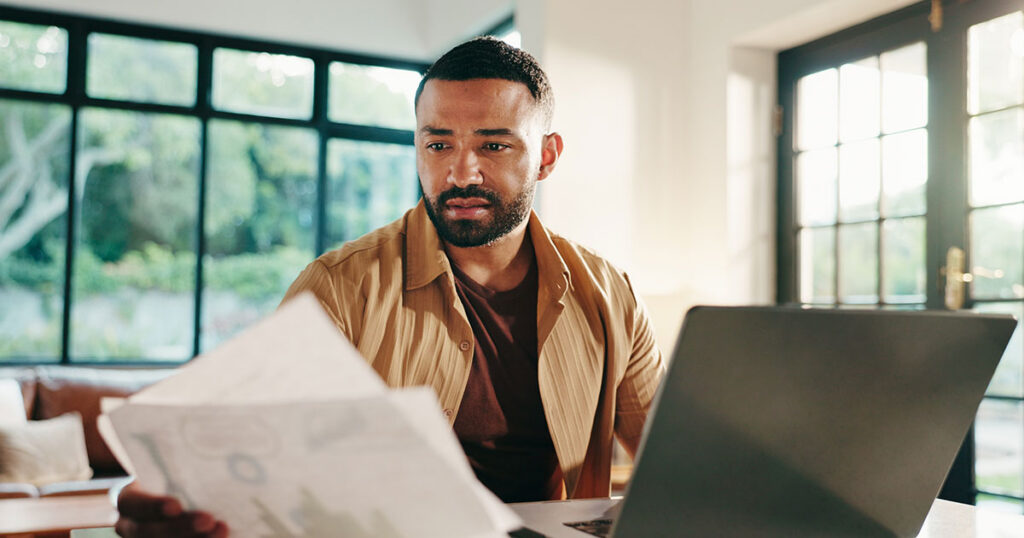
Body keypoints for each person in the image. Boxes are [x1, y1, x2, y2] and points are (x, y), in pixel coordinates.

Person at [114, 36, 664, 538]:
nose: (461, 172)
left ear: (546, 156)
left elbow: (676, 468)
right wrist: (185, 496)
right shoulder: (338, 288)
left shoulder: (610, 295)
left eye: (493, 147)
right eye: (438, 145)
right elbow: (252, 459)